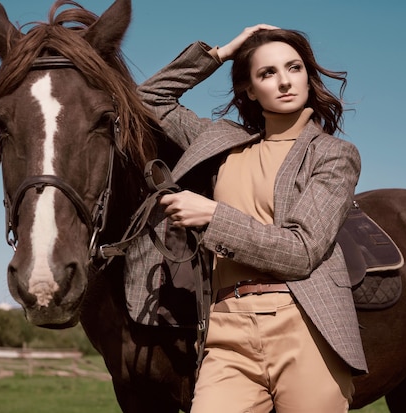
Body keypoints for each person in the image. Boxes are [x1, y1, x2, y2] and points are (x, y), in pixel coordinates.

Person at [137, 24, 367, 413]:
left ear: (308, 76)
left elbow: (302, 251)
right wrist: (221, 53)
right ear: (248, 88)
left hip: (304, 325)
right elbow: (148, 99)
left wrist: (212, 215)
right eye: (267, 73)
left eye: (294, 68)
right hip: (226, 330)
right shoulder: (219, 142)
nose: (284, 82)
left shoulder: (333, 154)